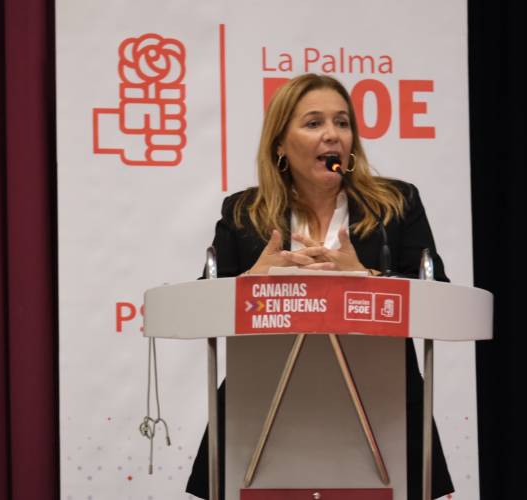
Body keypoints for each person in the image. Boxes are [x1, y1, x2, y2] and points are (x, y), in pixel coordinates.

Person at [186, 73, 454, 499]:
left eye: (342, 123)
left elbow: (439, 297)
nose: (333, 135)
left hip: (384, 410)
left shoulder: (394, 206)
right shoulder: (244, 213)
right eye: (314, 123)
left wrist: (368, 278)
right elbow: (198, 311)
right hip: (262, 410)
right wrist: (250, 281)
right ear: (280, 144)